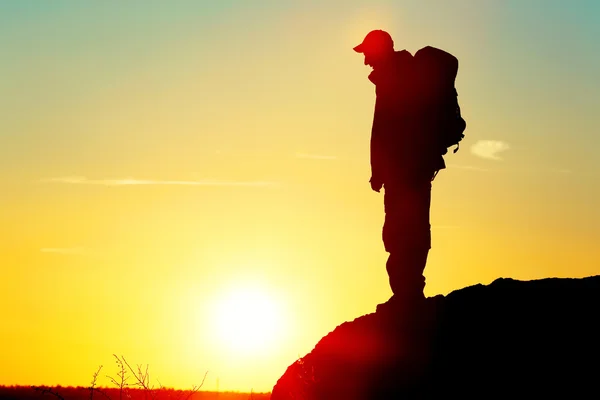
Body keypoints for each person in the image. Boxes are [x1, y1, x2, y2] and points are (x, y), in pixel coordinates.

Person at [353, 30, 446, 311]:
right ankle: (409, 292)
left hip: (404, 169)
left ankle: (407, 296)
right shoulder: (401, 73)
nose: (366, 60)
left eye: (368, 53)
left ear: (380, 50)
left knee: (401, 230)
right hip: (416, 166)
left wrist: (379, 170)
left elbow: (384, 127)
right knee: (413, 227)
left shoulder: (393, 78)